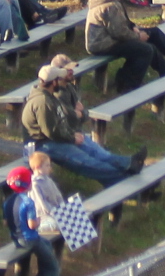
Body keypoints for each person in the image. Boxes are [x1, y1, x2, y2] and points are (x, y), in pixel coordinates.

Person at [18, 55, 140, 186]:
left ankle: (125, 170)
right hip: (41, 144)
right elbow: (52, 131)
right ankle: (124, 178)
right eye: (59, 78)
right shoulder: (43, 102)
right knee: (85, 161)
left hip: (54, 139)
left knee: (92, 151)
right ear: (53, 82)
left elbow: (60, 123)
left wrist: (72, 134)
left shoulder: (48, 96)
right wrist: (72, 138)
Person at [0, 155, 64, 276]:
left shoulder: (7, 202)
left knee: (47, 244)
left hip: (16, 238)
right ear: (28, 184)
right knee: (53, 266)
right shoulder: (28, 202)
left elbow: (5, 222)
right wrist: (39, 220)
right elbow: (32, 225)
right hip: (30, 239)